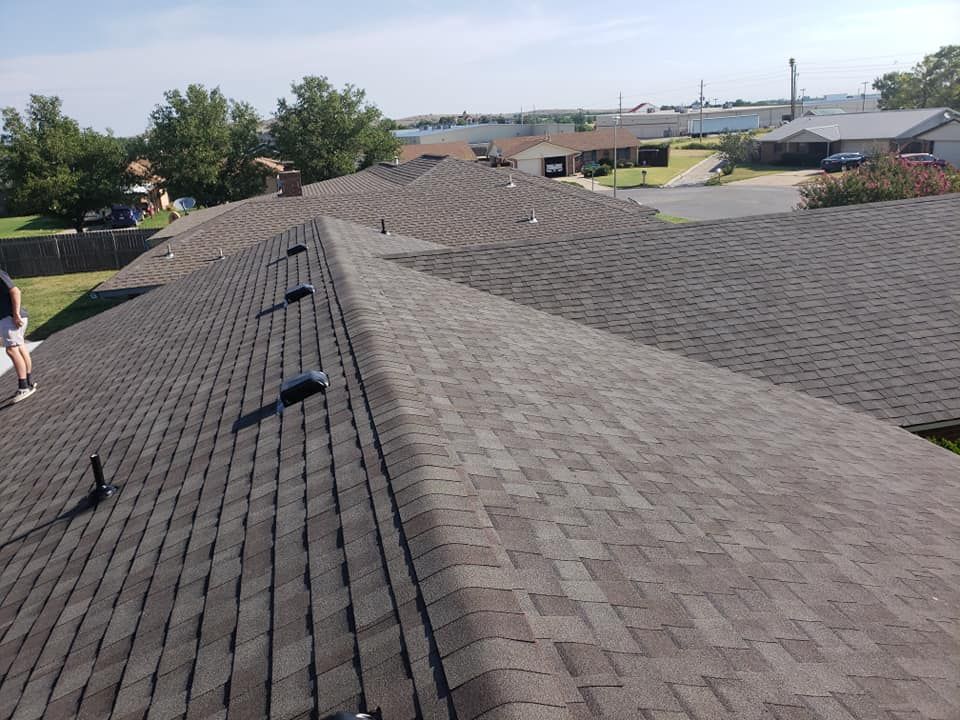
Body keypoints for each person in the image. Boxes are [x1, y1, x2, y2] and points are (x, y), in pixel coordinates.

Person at [1, 269, 36, 403]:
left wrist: (15, 314)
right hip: (9, 318)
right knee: (20, 348)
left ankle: (24, 387)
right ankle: (28, 383)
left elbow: (15, 291)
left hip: (11, 317)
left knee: (11, 350)